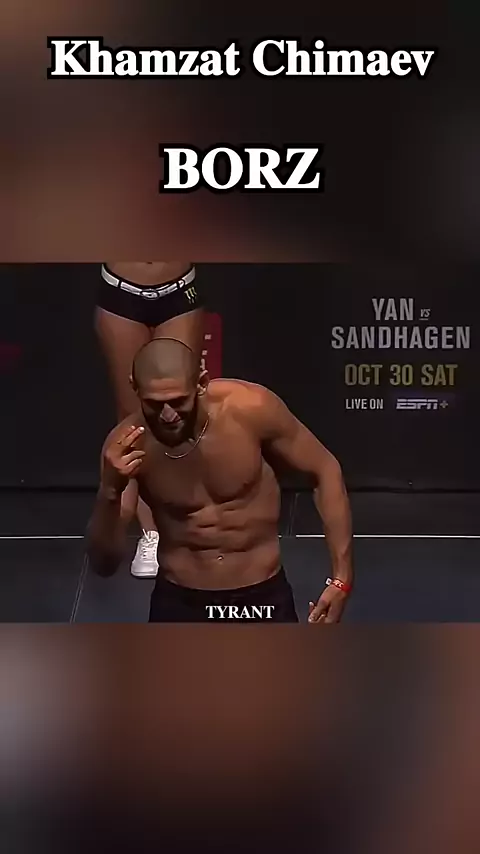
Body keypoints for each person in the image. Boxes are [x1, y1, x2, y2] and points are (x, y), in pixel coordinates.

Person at [87, 338, 353, 623]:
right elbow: (104, 564)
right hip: (180, 602)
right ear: (135, 388)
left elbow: (325, 469)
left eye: (178, 401)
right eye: (154, 404)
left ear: (201, 383)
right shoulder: (126, 446)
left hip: (261, 597)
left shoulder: (250, 409)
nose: (167, 415)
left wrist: (341, 579)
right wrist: (110, 491)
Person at [94, 261, 205, 579]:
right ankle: (152, 533)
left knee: (184, 412)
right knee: (134, 421)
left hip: (179, 287)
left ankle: (187, 526)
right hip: (120, 289)